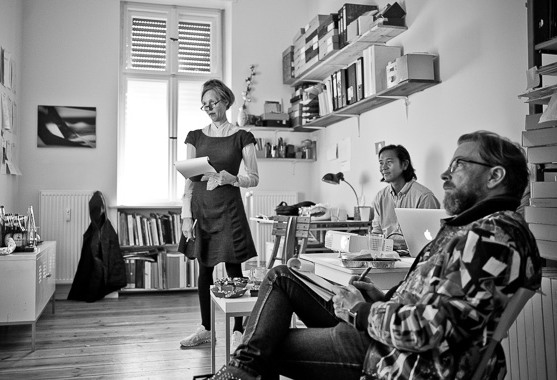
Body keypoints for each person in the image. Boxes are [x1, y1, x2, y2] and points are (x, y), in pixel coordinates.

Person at [211, 130, 542, 380]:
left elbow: (432, 330)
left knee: (260, 347)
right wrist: (379, 297)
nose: (445, 174)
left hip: (396, 358)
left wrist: (360, 311)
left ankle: (240, 371)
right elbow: (435, 305)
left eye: (458, 165)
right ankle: (241, 370)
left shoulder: (491, 238)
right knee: (282, 276)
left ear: (495, 176)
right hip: (382, 331)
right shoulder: (479, 229)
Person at [179, 79, 259, 352]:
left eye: (212, 102)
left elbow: (254, 178)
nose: (208, 107)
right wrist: (186, 217)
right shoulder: (195, 137)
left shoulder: (242, 137)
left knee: (234, 268)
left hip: (229, 210)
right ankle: (206, 329)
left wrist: (233, 178)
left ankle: (238, 330)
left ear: (226, 100)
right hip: (202, 210)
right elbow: (189, 183)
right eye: (204, 105)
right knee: (205, 269)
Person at [371, 144, 440, 251]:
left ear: (404, 164)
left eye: (389, 162)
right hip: (385, 256)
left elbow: (431, 239)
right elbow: (376, 233)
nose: (383, 167)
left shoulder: (424, 197)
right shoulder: (380, 197)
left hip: (413, 258)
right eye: (381, 163)